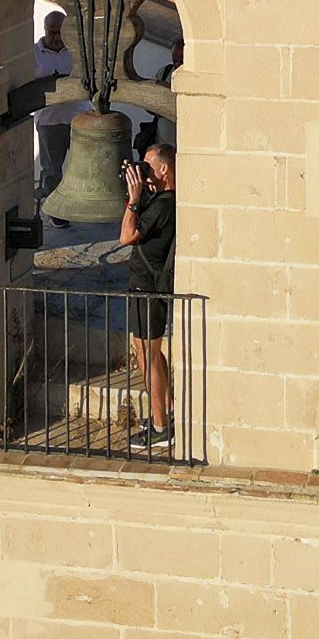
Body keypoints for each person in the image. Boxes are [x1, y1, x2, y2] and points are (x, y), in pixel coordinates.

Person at [118, 142, 177, 448]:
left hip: (147, 288)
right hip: (147, 287)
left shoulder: (163, 205)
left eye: (149, 166)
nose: (144, 172)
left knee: (146, 356)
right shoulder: (162, 200)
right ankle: (167, 411)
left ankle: (159, 427)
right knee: (150, 353)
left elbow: (126, 236)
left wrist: (133, 199)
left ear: (164, 169)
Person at [30, 8, 77, 206]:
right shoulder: (33, 54)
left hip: (77, 119)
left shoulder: (77, 50)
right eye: (52, 32)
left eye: (61, 33)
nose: (57, 37)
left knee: (81, 169)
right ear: (45, 30)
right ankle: (54, 208)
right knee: (51, 170)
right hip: (49, 121)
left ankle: (76, 206)